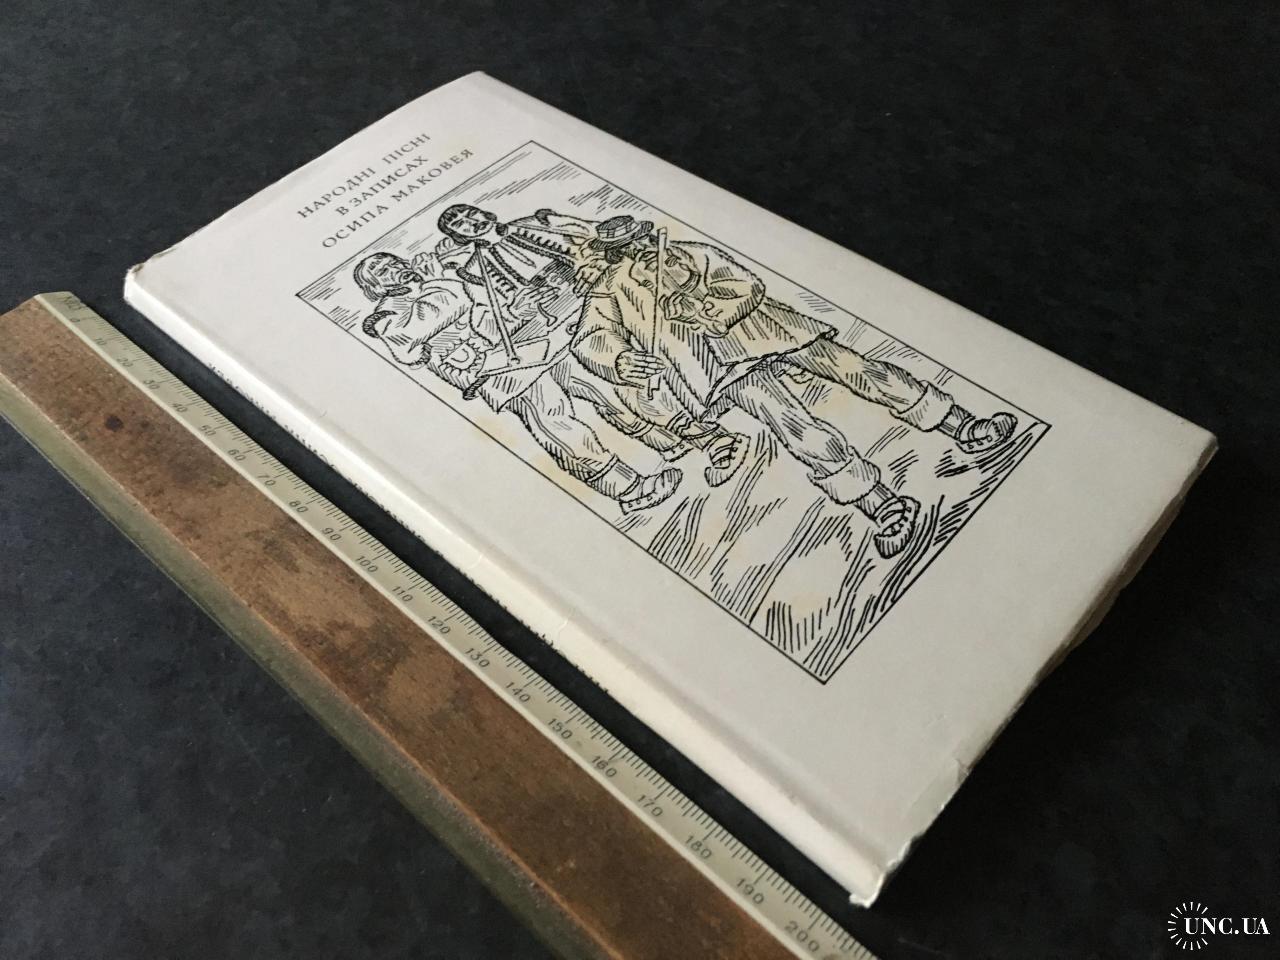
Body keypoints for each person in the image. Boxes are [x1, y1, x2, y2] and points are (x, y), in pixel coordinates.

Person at [569, 216, 1020, 557]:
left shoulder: (689, 253)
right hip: (718, 366)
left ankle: (963, 426)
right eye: (625, 250)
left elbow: (746, 284)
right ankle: (882, 504)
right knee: (797, 428)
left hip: (767, 328)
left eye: (642, 241)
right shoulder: (612, 291)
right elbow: (591, 339)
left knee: (859, 370)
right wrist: (622, 360)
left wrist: (712, 309)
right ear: (614, 258)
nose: (640, 251)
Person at [435, 204, 750, 487]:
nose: (470, 222)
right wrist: (516, 309)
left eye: (470, 214)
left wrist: (593, 265)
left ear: (484, 212)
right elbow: (486, 321)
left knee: (638, 383)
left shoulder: (539, 223)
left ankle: (714, 439)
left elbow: (594, 237)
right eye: (460, 224)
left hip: (605, 304)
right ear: (459, 236)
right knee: (610, 395)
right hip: (557, 335)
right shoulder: (472, 272)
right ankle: (689, 443)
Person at [351, 249, 681, 514]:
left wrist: (513, 311)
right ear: (374, 287)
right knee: (558, 423)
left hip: (525, 346)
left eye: (392, 261)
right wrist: (438, 280)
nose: (393, 268)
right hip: (493, 372)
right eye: (381, 270)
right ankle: (631, 490)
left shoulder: (436, 283)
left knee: (599, 389)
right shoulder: (384, 316)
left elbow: (482, 312)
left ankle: (667, 442)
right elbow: (429, 324)